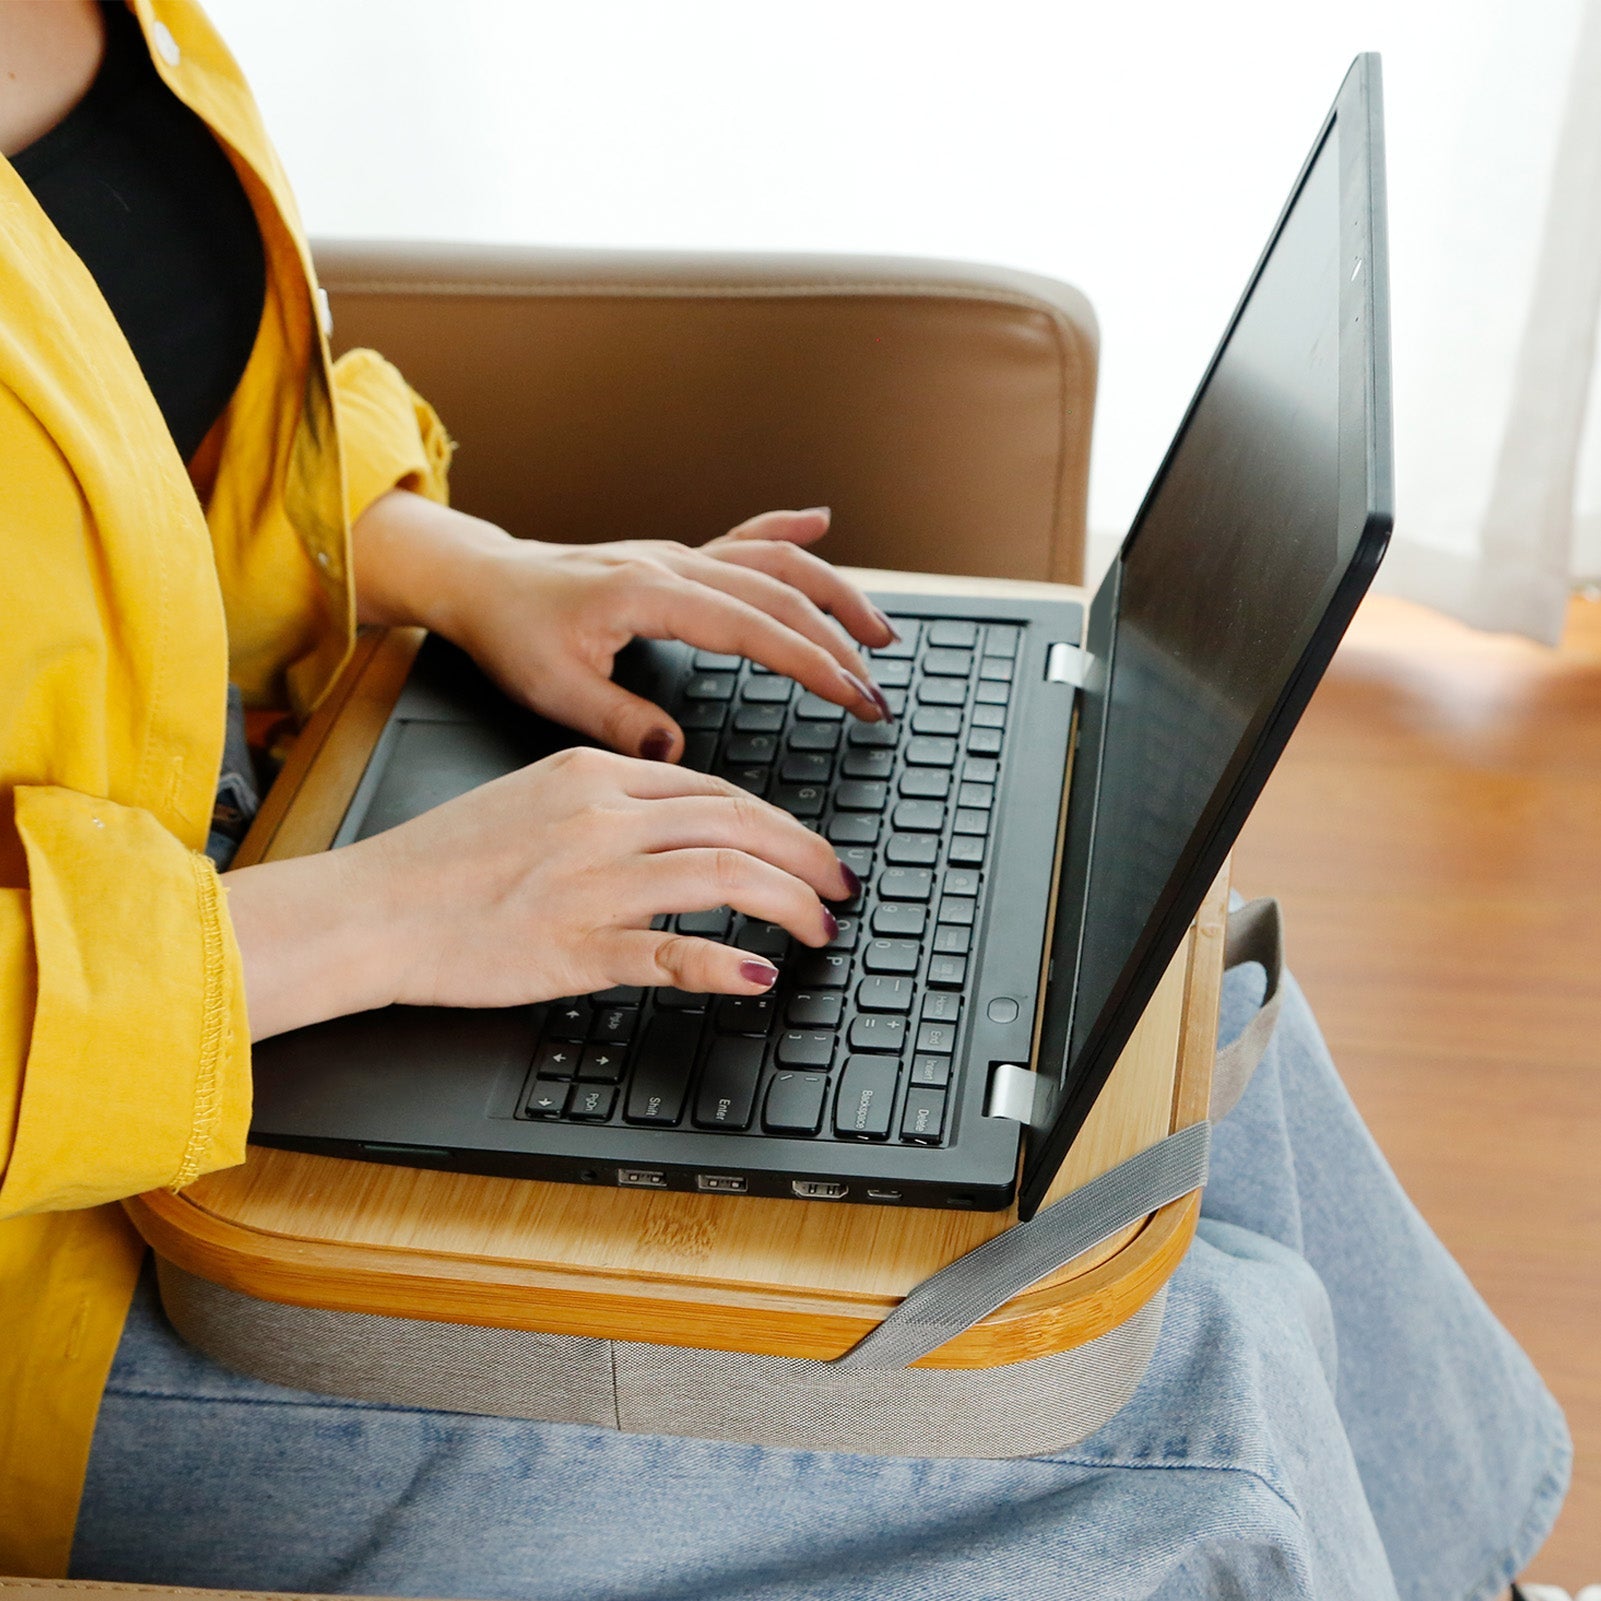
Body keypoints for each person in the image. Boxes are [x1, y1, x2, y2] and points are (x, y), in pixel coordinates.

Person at [0, 2, 1574, 1594]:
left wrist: (476, 571)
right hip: (70, 1248)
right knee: (1205, 1423)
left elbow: (176, 408)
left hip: (271, 819)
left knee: (1205, 1013)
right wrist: (373, 918)